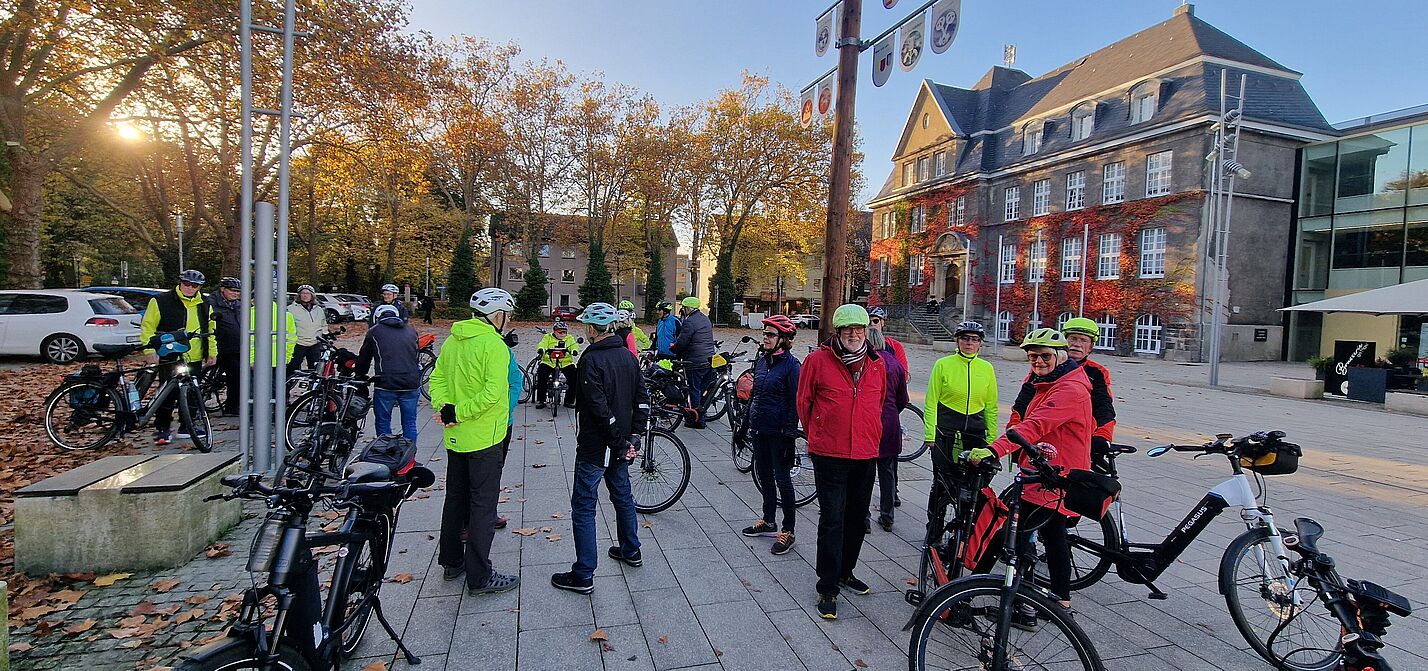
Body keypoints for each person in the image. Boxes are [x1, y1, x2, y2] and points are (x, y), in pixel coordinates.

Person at [968, 328, 1093, 624]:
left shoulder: (1069, 389)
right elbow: (1021, 415)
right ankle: (1060, 603)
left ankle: (973, 593)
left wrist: (994, 450)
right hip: (1046, 472)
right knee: (1053, 536)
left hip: (1053, 476)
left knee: (1012, 537)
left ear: (1061, 356)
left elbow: (1035, 425)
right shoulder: (1046, 381)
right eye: (1033, 356)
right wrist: (1013, 436)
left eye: (1045, 356)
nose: (1038, 361)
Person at [551, 303, 650, 595]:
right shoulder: (628, 357)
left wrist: (621, 442)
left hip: (597, 447)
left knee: (583, 505)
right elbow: (642, 399)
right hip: (620, 446)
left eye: (586, 326)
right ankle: (631, 550)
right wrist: (633, 437)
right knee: (622, 495)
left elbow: (597, 408)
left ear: (593, 330)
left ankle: (583, 574)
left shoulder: (590, 361)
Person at [796, 304, 887, 620]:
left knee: (857, 517)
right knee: (832, 519)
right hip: (830, 454)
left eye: (859, 329)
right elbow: (804, 403)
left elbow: (879, 402)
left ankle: (846, 571)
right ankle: (827, 586)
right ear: (838, 332)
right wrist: (818, 434)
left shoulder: (877, 365)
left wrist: (872, 436)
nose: (854, 334)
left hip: (865, 453)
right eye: (847, 329)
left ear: (866, 331)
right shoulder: (817, 361)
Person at [431, 287, 521, 596]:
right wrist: (458, 410)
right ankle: (480, 576)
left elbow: (436, 379)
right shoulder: (493, 346)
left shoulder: (454, 340)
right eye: (507, 316)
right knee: (483, 506)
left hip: (456, 436)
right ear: (497, 316)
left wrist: (446, 409)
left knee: (455, 499)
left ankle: (451, 561)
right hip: (484, 437)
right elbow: (493, 394)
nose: (507, 322)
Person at [921, 321, 998, 543]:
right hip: (945, 429)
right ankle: (934, 529)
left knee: (974, 484)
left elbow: (992, 407)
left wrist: (991, 440)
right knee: (942, 481)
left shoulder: (987, 369)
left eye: (974, 339)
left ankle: (964, 529)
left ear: (980, 344)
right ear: (957, 341)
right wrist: (929, 435)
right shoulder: (943, 364)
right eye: (965, 338)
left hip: (975, 431)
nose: (969, 343)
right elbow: (931, 401)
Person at [739, 315, 801, 555]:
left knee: (782, 480)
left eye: (770, 334)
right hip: (760, 428)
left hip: (779, 432)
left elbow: (796, 402)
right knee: (764, 475)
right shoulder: (763, 362)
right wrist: (744, 425)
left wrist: (789, 435)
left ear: (783, 340)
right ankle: (768, 520)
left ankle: (788, 530)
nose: (764, 338)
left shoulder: (792, 366)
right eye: (764, 333)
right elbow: (755, 396)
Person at [139, 269, 217, 445]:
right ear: (180, 283)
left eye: (194, 285)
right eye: (187, 284)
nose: (190, 288)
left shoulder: (205, 303)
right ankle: (162, 428)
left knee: (192, 393)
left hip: (194, 355)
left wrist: (212, 352)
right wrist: (149, 351)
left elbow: (211, 330)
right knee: (167, 392)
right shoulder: (161, 301)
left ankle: (186, 426)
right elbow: (147, 327)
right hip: (170, 354)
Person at [1053, 317, 1116, 473]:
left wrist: (1103, 435)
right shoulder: (1048, 365)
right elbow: (1025, 400)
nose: (1076, 344)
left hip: (1080, 436)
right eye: (1072, 338)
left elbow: (1104, 407)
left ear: (1091, 347)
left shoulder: (1097, 372)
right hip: (1049, 433)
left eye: (1083, 340)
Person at [356, 305, 422, 441]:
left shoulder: (374, 332)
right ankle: (409, 458)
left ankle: (385, 454)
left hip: (386, 382)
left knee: (383, 422)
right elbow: (415, 356)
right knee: (410, 423)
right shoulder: (411, 331)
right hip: (411, 382)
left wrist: (360, 375)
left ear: (377, 317)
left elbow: (364, 358)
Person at [868, 322, 910, 532]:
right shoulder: (895, 364)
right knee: (887, 471)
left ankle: (863, 518)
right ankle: (887, 516)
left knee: (864, 473)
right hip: (890, 422)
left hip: (867, 422)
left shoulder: (865, 362)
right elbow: (903, 399)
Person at [671, 296, 714, 428]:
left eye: (683, 308)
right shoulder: (705, 319)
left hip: (694, 361)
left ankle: (697, 420)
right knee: (701, 389)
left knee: (693, 390)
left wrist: (674, 349)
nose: (682, 311)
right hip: (708, 359)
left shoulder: (689, 322)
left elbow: (683, 341)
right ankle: (701, 412)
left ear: (688, 308)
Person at [207, 277, 243, 416]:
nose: (235, 294)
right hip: (222, 346)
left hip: (238, 346)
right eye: (232, 290)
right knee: (236, 374)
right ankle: (232, 407)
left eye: (238, 291)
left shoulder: (238, 305)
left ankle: (237, 404)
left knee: (241, 374)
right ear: (223, 290)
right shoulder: (212, 303)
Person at [534, 321, 580, 409]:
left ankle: (569, 401)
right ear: (554, 331)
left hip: (565, 363)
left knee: (574, 377)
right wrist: (541, 349)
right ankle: (541, 400)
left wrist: (574, 351)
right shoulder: (547, 337)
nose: (563, 334)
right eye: (560, 332)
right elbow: (542, 344)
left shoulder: (569, 338)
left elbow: (574, 346)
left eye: (564, 332)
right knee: (542, 375)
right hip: (549, 362)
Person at [287, 285, 327, 373]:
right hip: (298, 344)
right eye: (303, 293)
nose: (305, 295)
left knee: (315, 371)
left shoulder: (319, 310)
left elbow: (323, 325)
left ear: (312, 295)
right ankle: (286, 385)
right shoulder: (290, 309)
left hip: (314, 344)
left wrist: (325, 335)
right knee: (291, 369)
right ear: (299, 295)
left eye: (308, 293)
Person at [866, 306, 908, 371]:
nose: (872, 324)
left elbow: (903, 371)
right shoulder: (857, 344)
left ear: (882, 322)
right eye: (868, 322)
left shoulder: (895, 345)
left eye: (875, 321)